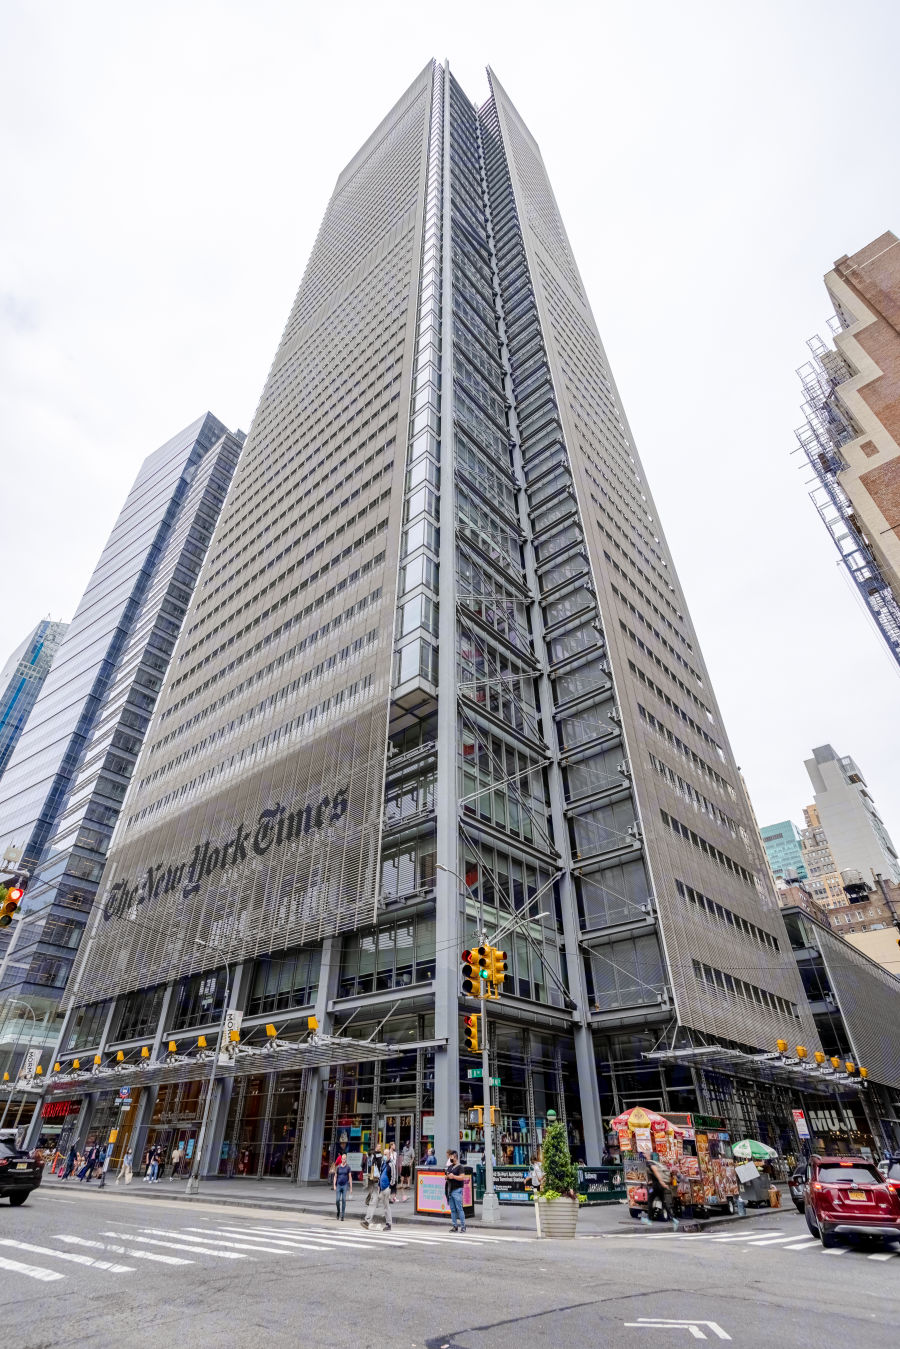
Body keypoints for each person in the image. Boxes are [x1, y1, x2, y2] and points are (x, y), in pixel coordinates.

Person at [642, 1151, 679, 1230]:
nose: (644, 1154)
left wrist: (662, 1182)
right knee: (663, 1203)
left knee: (650, 1200)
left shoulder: (650, 1163)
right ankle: (674, 1220)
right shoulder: (653, 1163)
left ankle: (649, 1219)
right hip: (658, 1186)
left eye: (646, 1153)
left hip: (656, 1187)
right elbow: (654, 1175)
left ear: (649, 1156)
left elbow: (656, 1172)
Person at [361, 1150, 392, 1232]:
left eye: (386, 1154)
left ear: (389, 1155)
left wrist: (390, 1188)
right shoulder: (383, 1164)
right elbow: (381, 1174)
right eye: (384, 1154)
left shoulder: (391, 1165)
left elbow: (393, 1178)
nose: (384, 1156)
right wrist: (378, 1185)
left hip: (386, 1188)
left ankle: (389, 1224)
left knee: (386, 1207)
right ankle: (367, 1220)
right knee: (373, 1202)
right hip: (381, 1189)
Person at [445, 1150, 468, 1233]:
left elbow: (462, 1177)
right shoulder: (450, 1167)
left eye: (452, 1156)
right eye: (450, 1156)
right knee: (453, 1209)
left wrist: (453, 1176)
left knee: (459, 1209)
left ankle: (463, 1226)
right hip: (450, 1190)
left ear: (455, 1157)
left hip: (457, 1189)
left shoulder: (460, 1167)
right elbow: (446, 1176)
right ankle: (455, 1226)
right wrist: (447, 1176)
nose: (450, 1158)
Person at [333, 1151, 352, 1220]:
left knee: (344, 1199)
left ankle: (342, 1215)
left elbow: (350, 1177)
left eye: (345, 1159)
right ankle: (338, 1212)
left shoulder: (348, 1167)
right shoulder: (338, 1167)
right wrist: (334, 1185)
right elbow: (335, 1176)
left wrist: (351, 1188)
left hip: (345, 1185)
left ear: (346, 1159)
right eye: (343, 1159)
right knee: (337, 1200)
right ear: (341, 1159)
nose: (344, 1160)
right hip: (338, 1185)